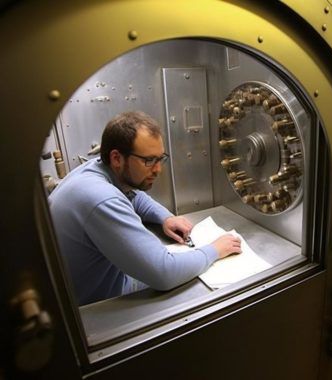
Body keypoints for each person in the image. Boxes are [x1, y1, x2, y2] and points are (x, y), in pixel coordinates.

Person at [49, 111, 241, 305]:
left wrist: (165, 218)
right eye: (148, 160)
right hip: (97, 307)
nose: (158, 169)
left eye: (160, 159)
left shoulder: (98, 169)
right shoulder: (101, 198)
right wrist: (214, 250)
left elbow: (134, 194)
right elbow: (164, 273)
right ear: (117, 158)